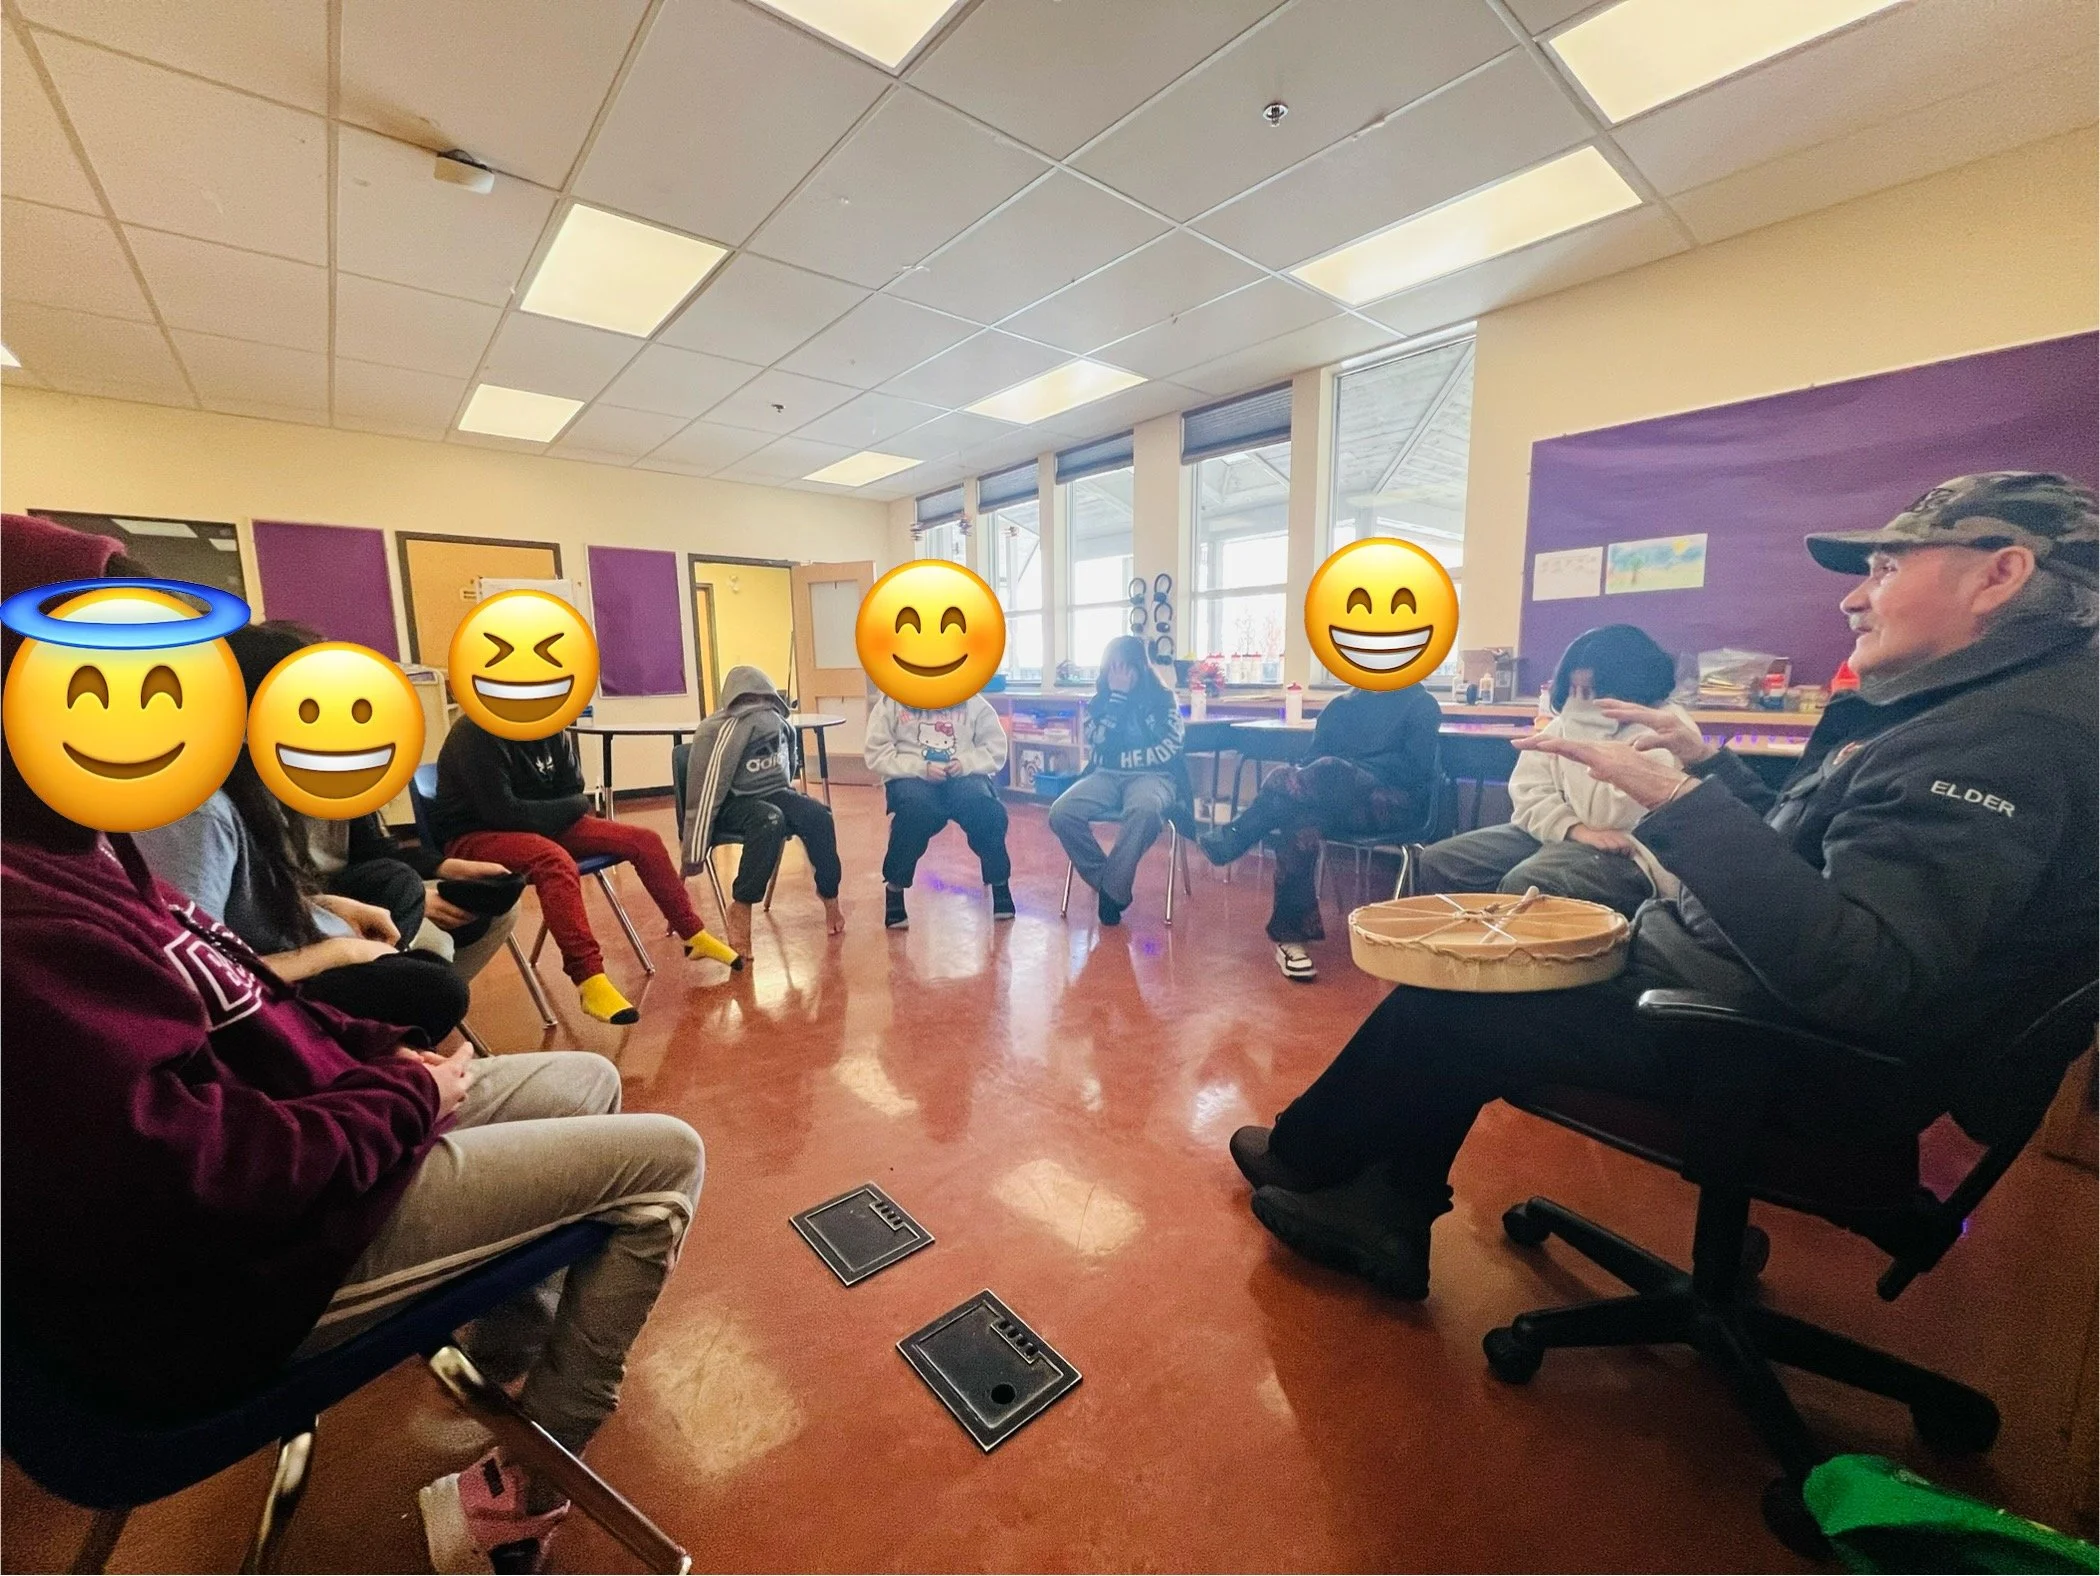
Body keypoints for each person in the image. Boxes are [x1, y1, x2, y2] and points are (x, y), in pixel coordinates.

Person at [1, 513, 706, 1573]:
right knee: (668, 1161)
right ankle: (523, 1488)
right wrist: (403, 1100)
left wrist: (381, 1059)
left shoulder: (88, 855)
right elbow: (191, 1172)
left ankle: (502, 1347)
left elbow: (247, 1002)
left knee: (582, 1077)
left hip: (306, 1161)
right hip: (240, 1280)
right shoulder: (28, 911)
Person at [1230, 473, 2098, 1302]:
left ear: (1999, 575)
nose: (1854, 598)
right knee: (1475, 974)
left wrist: (1678, 802)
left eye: (1886, 568)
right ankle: (1371, 1197)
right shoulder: (1983, 709)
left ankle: (1323, 1165)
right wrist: (1711, 768)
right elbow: (1813, 864)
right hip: (1763, 1005)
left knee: (1460, 993)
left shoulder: (2001, 740)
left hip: (1779, 1051)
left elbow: (1864, 976)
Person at [134, 621, 471, 1048]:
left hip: (287, 940)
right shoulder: (198, 810)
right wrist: (340, 953)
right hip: (251, 995)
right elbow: (197, 977)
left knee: (408, 919)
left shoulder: (257, 784)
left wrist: (328, 906)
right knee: (431, 988)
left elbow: (253, 897)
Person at [430, 713, 739, 1026]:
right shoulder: (474, 732)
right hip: (475, 835)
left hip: (545, 825)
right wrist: (567, 806)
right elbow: (504, 812)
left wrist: (561, 807)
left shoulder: (550, 724)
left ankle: (693, 934)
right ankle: (589, 979)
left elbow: (575, 789)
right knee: (554, 861)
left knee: (644, 841)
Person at [1403, 624, 1690, 916]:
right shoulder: (1567, 721)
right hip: (1568, 834)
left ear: (1631, 686)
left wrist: (1583, 735)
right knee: (1442, 861)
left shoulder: (1663, 728)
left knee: (1528, 882)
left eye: (1590, 691)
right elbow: (1528, 792)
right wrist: (1572, 829)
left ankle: (1524, 944)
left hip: (1633, 853)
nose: (1579, 701)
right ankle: (1467, 940)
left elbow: (1607, 816)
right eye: (1573, 690)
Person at [1197, 676, 1443, 981]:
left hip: (1392, 804)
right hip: (1335, 802)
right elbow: (1310, 762)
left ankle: (1238, 833)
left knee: (1328, 770)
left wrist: (1356, 770)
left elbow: (1415, 771)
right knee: (1298, 818)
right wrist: (1337, 774)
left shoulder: (1421, 704)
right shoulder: (1340, 707)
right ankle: (1290, 938)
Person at [681, 665, 844, 954]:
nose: (758, 706)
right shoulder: (714, 730)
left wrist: (795, 803)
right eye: (750, 699)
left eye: (764, 699)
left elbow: (787, 766)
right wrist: (693, 853)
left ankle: (829, 895)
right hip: (731, 802)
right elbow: (705, 791)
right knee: (770, 820)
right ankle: (741, 907)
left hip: (772, 793)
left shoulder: (780, 724)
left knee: (819, 816)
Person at [1048, 635, 1189, 926]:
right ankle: (1111, 884)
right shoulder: (1099, 703)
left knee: (1145, 811)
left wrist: (1122, 758)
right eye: (1113, 667)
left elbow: (1170, 746)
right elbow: (1097, 741)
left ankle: (1111, 889)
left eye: (1125, 667)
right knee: (1061, 812)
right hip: (1105, 775)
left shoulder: (1162, 699)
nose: (1119, 674)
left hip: (1154, 776)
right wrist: (1118, 698)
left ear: (1141, 667)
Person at [864, 684, 1014, 930]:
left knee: (986, 812)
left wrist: (965, 763)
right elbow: (877, 753)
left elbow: (995, 748)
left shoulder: (972, 700)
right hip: (911, 777)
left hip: (963, 775)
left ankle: (999, 882)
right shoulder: (891, 703)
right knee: (915, 814)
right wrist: (918, 768)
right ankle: (895, 887)